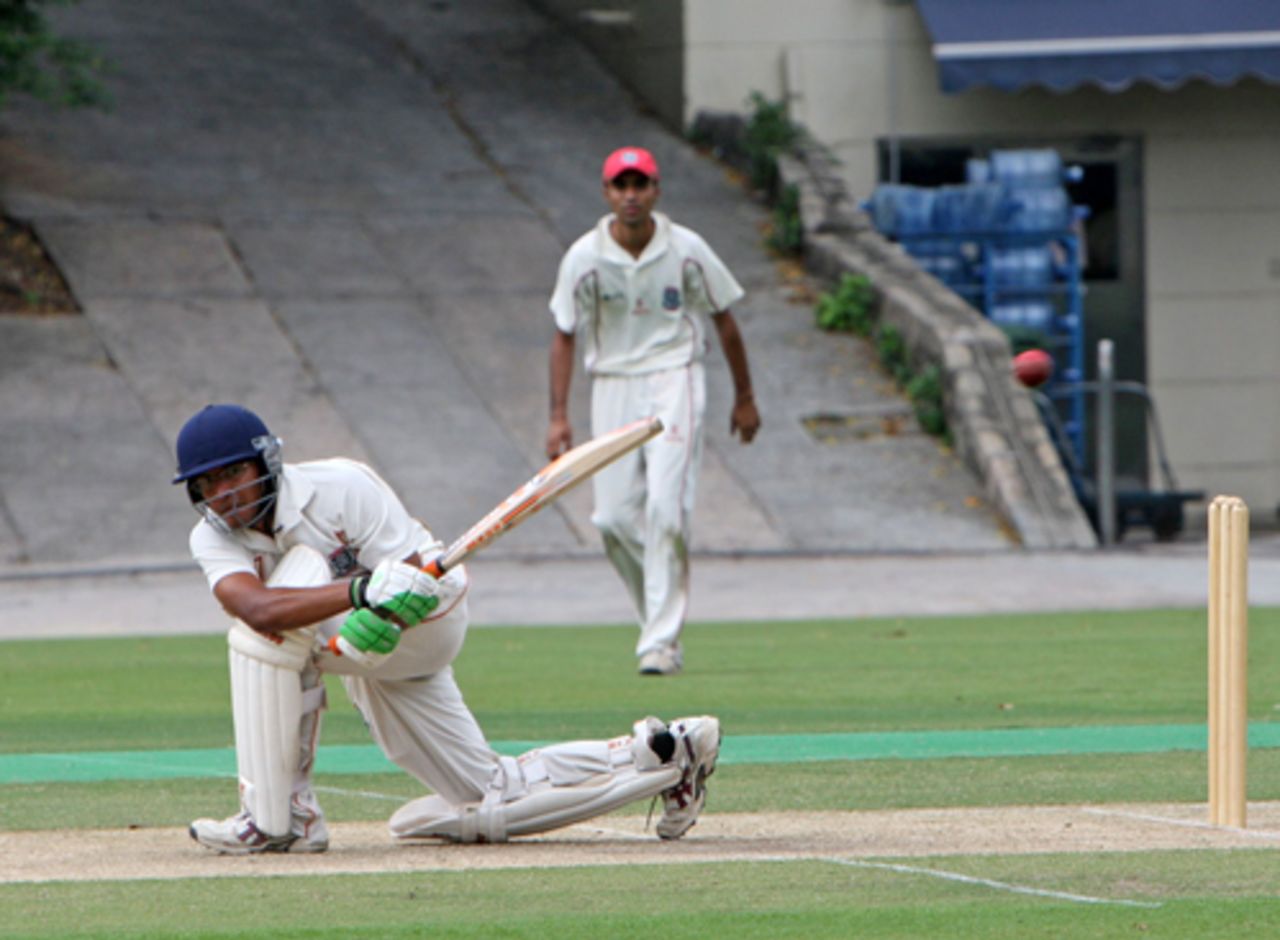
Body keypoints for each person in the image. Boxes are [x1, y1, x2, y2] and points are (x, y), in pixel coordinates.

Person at [172, 403, 721, 854]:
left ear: (265, 464)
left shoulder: (341, 486)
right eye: (207, 484)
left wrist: (387, 607)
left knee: (267, 640)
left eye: (232, 474)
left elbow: (414, 579)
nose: (223, 495)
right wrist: (361, 593)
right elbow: (257, 607)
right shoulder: (212, 537)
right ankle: (665, 753)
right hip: (345, 637)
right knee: (489, 796)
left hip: (427, 620)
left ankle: (280, 816)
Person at [546, 146, 760, 676]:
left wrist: (745, 397)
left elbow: (725, 321)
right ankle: (658, 622)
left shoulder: (685, 248)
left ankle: (659, 644)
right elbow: (564, 335)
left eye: (640, 185)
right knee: (612, 518)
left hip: (675, 376)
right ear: (607, 194)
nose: (631, 195)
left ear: (656, 190)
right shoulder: (584, 256)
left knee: (667, 509)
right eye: (621, 186)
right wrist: (557, 416)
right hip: (613, 382)